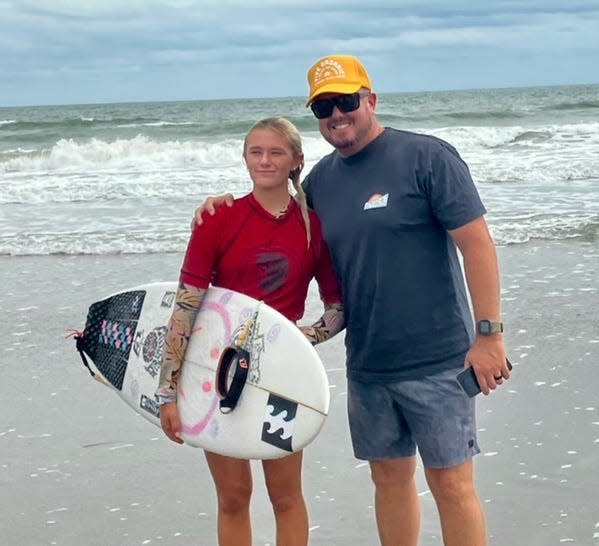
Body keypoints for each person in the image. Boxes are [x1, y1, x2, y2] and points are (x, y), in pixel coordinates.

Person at [194, 55, 510, 546]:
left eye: (345, 101)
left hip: (439, 360)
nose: (336, 115)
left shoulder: (427, 158)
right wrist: (220, 203)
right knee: (388, 479)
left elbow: (477, 243)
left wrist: (488, 336)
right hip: (368, 366)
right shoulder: (320, 183)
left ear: (371, 99)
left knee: (450, 484)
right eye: (324, 107)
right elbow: (271, 215)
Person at [156, 117, 344, 546]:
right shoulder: (218, 219)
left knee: (286, 496)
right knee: (233, 496)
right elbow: (186, 307)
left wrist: (302, 339)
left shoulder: (313, 228)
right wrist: (167, 392)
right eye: (255, 152)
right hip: (215, 374)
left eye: (276, 152)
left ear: (297, 161)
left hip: (281, 379)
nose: (265, 160)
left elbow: (337, 307)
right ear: (244, 159)